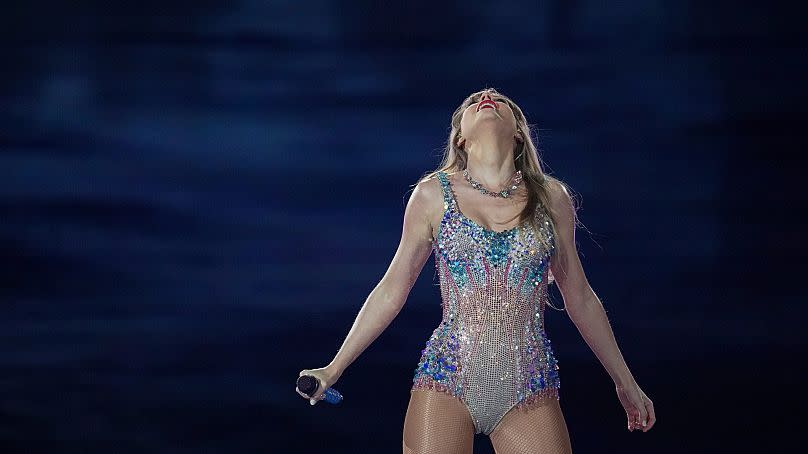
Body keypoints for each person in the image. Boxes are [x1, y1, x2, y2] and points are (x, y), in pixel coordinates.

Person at [297, 88, 656, 453]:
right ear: (461, 138)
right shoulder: (432, 195)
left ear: (518, 131)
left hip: (528, 388)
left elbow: (579, 295)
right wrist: (333, 368)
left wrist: (624, 380)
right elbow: (392, 290)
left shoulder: (552, 198)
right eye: (473, 102)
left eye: (500, 100)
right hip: (447, 379)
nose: (487, 96)